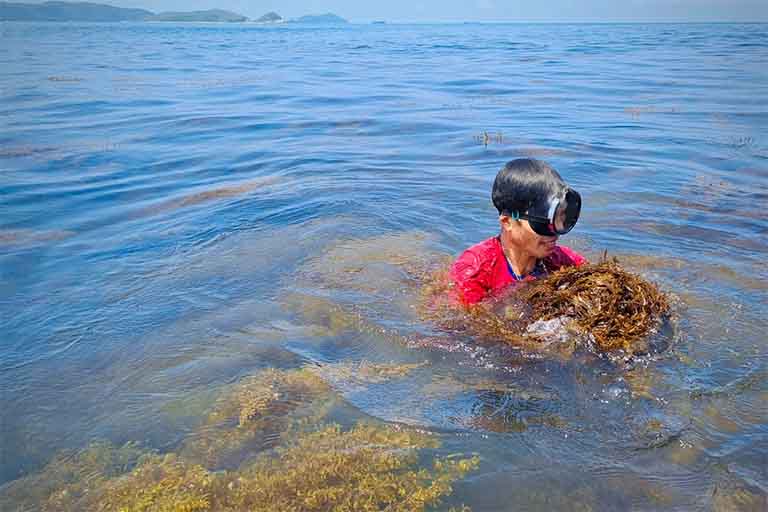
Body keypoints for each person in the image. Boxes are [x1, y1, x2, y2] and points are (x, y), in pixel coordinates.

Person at [450, 158, 587, 305]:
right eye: (542, 224)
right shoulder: (475, 270)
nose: (556, 233)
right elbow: (462, 322)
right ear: (508, 222)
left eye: (562, 220)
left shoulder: (560, 261)